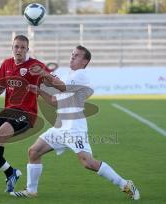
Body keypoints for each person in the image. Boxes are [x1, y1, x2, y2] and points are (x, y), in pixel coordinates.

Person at [10, 45, 140, 200]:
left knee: (88, 163)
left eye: (77, 55)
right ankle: (31, 190)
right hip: (60, 127)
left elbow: (62, 87)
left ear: (85, 61)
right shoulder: (69, 75)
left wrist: (44, 73)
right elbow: (54, 101)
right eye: (72, 54)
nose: (72, 57)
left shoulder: (81, 75)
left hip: (74, 128)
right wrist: (38, 91)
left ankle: (125, 184)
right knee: (34, 151)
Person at [0, 35, 64, 193]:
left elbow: (60, 85)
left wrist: (45, 74)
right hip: (8, 111)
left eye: (22, 47)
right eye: (16, 47)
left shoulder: (36, 65)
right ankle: (10, 172)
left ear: (27, 49)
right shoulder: (6, 64)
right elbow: (1, 86)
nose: (19, 50)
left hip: (27, 113)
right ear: (12, 47)